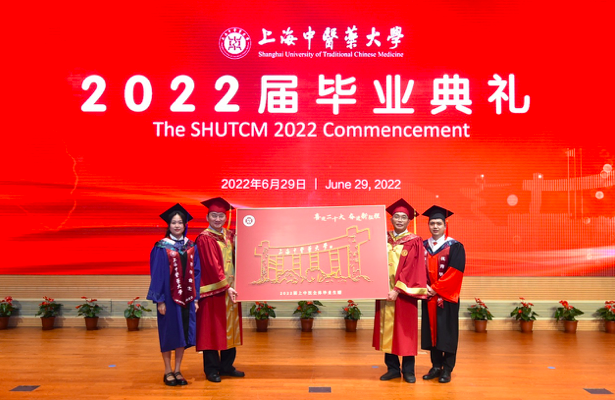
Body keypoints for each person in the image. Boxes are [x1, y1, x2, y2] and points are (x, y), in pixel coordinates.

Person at [372, 198, 428, 383]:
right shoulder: (382, 238)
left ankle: (409, 370)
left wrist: (397, 289)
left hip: (404, 293)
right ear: (391, 219)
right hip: (383, 292)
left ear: (409, 220)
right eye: (397, 216)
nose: (400, 220)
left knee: (405, 331)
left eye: (404, 217)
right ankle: (393, 369)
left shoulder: (414, 241)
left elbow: (412, 268)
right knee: (387, 329)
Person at [147, 203, 200, 386]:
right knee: (168, 333)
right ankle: (167, 370)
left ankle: (178, 369)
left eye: (180, 222)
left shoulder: (191, 246)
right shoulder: (161, 246)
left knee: (182, 334)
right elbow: (157, 274)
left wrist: (196, 298)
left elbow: (197, 272)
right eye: (174, 222)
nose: (177, 225)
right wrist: (159, 300)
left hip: (187, 298)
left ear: (185, 225)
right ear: (168, 225)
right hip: (168, 299)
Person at [195, 197, 244, 383]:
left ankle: (227, 366)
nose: (217, 219)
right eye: (214, 215)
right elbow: (212, 266)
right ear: (207, 217)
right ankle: (211, 369)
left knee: (230, 329)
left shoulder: (230, 236)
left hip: (231, 290)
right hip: (214, 291)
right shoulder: (205, 238)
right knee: (212, 330)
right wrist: (226, 287)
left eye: (221, 215)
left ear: (226, 217)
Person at [420, 205, 466, 383]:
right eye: (432, 223)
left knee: (448, 333)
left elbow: (455, 272)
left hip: (446, 298)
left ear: (445, 225)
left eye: (439, 223)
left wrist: (436, 288)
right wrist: (424, 286)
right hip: (428, 296)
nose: (435, 226)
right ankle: (435, 366)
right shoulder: (423, 246)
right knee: (432, 333)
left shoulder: (455, 246)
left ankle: (447, 369)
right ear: (428, 225)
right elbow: (416, 270)